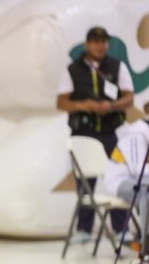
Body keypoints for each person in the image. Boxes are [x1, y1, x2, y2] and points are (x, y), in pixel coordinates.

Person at [56, 26, 135, 243]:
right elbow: (61, 102)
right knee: (85, 182)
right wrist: (84, 105)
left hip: (111, 131)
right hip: (84, 133)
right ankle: (84, 229)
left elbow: (129, 97)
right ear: (87, 43)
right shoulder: (73, 69)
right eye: (95, 41)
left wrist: (111, 106)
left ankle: (121, 229)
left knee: (118, 178)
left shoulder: (117, 67)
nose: (100, 45)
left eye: (103, 41)